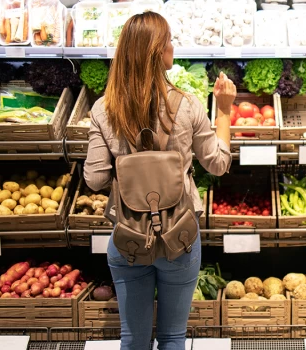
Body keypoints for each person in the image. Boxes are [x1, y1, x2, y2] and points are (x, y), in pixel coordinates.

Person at [83, 12, 235, 350]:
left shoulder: (103, 110)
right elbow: (218, 163)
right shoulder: (187, 106)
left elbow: (94, 178)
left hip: (128, 238)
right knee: (171, 337)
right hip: (178, 237)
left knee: (133, 339)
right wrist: (224, 110)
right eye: (168, 40)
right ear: (156, 52)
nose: (172, 45)